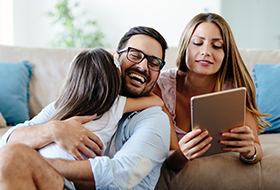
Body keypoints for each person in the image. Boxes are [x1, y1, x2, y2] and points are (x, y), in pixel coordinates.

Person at [0, 26, 170, 190]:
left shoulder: (154, 119)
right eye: (135, 55)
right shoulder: (78, 102)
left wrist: (33, 162)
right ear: (115, 58)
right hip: (51, 182)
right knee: (10, 157)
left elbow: (124, 176)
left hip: (65, 182)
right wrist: (53, 130)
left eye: (154, 63)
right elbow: (7, 142)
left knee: (14, 158)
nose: (142, 67)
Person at [153, 13, 269, 170]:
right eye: (197, 43)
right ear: (185, 46)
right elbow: (171, 162)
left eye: (216, 46)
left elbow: (256, 150)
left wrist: (250, 151)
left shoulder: (235, 90)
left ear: (226, 54)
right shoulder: (161, 86)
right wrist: (182, 153)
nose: (205, 52)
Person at [38, 47, 164, 161]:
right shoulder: (115, 105)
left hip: (42, 158)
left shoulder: (64, 105)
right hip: (68, 174)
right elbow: (158, 101)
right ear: (114, 80)